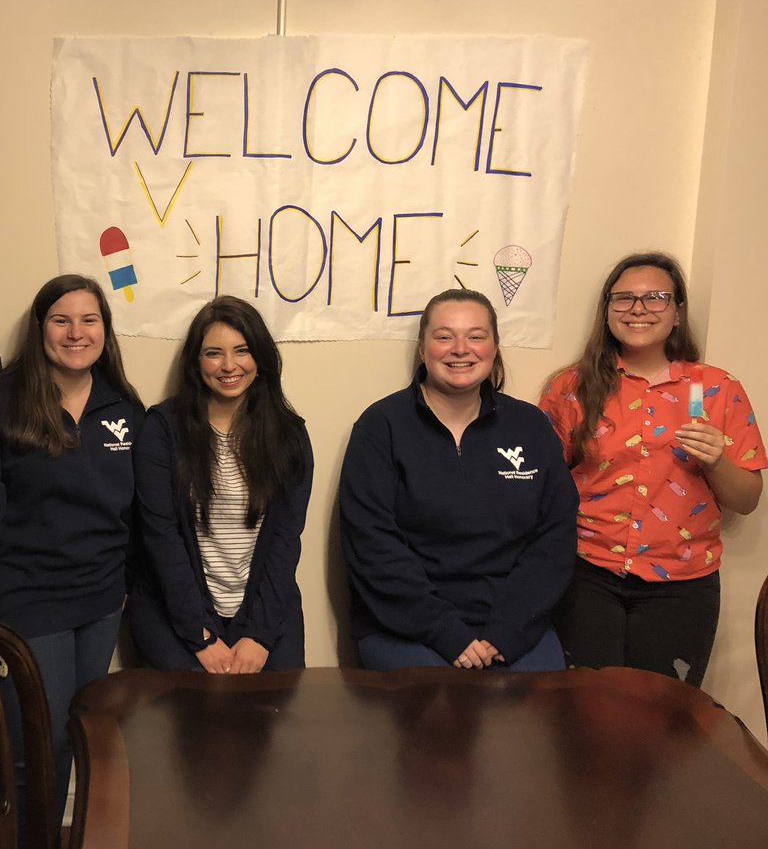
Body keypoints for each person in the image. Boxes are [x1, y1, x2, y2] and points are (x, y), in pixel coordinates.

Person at [0, 273, 143, 825]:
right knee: (35, 750)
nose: (76, 333)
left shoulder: (123, 406)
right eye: (61, 320)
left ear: (105, 329)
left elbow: (137, 513)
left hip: (98, 603)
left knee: (79, 736)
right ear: (40, 329)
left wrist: (125, 586)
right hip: (24, 604)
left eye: (89, 319)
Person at [540, 252, 764, 685]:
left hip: (681, 584)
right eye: (623, 299)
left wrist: (716, 460)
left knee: (660, 722)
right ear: (606, 312)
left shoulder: (718, 389)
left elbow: (747, 501)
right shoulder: (571, 387)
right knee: (581, 711)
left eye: (656, 298)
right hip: (586, 575)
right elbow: (543, 486)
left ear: (678, 312)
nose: (638, 309)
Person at [340, 288, 577, 671]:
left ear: (495, 347)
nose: (461, 349)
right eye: (444, 336)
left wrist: (507, 632)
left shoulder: (530, 426)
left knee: (536, 720)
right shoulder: (381, 427)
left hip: (515, 626)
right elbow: (372, 545)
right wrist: (447, 632)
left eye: (476, 336)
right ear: (422, 349)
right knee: (440, 718)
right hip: (407, 627)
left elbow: (554, 539)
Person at [129, 296, 312, 673]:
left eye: (242, 351)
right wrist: (201, 636)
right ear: (196, 363)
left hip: (264, 608)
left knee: (276, 717)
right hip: (176, 609)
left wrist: (259, 635)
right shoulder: (162, 429)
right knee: (196, 717)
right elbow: (161, 538)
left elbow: (286, 540)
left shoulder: (289, 434)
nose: (229, 366)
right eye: (214, 353)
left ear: (259, 359)